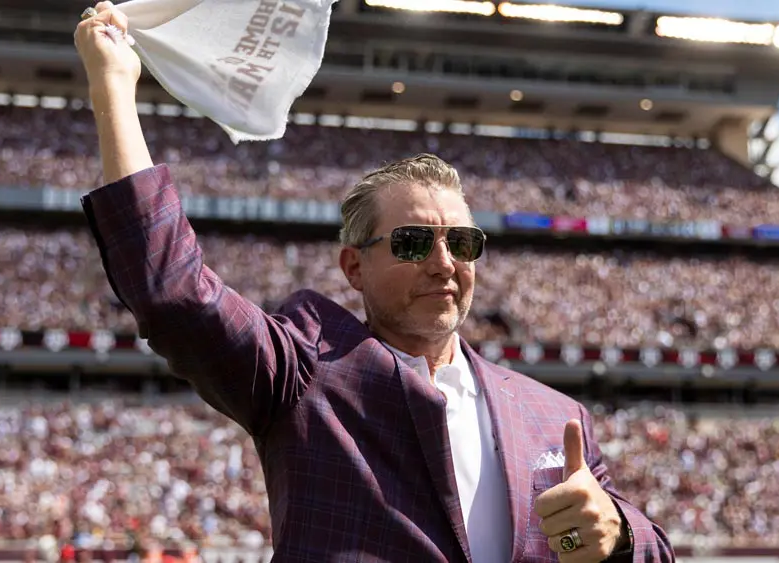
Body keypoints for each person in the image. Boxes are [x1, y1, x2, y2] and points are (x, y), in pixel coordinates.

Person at [74, 3, 675, 562]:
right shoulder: (306, 377)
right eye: (414, 242)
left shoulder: (553, 413)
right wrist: (115, 88)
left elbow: (649, 552)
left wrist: (618, 534)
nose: (444, 262)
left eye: (462, 243)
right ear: (353, 267)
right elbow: (172, 292)